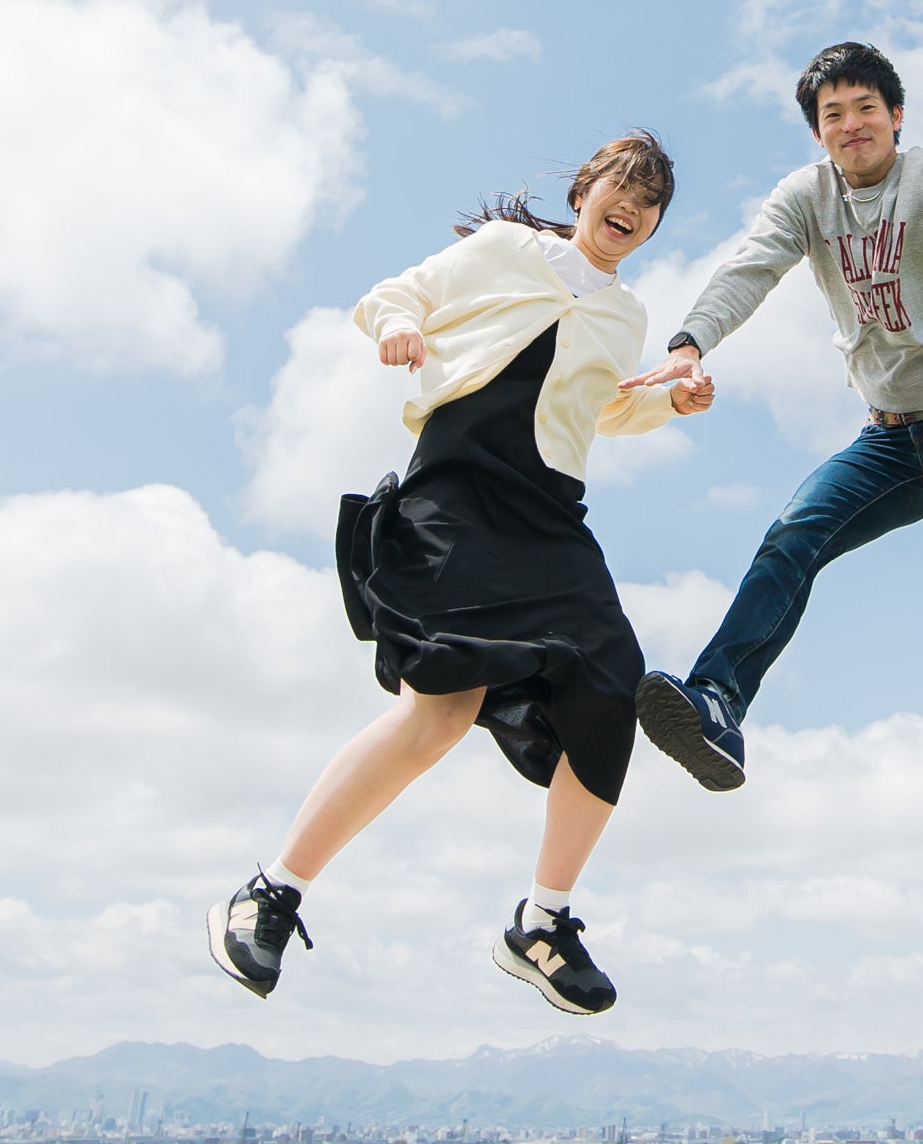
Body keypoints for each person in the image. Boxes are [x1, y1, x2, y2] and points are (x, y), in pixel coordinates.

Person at [207, 131, 711, 1018]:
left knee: (611, 696)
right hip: (459, 490)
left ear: (654, 224)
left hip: (550, 514)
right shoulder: (508, 250)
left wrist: (671, 398)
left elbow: (604, 408)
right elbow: (395, 294)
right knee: (438, 713)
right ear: (587, 188)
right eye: (620, 185)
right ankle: (269, 893)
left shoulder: (627, 316)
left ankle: (541, 925)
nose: (631, 205)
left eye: (651, 200)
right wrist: (400, 325)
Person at [617, 41, 923, 792]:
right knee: (790, 539)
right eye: (832, 114)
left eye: (865, 109)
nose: (851, 125)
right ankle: (716, 702)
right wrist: (690, 342)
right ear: (818, 131)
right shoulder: (805, 198)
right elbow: (751, 266)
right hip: (882, 443)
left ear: (896, 115)